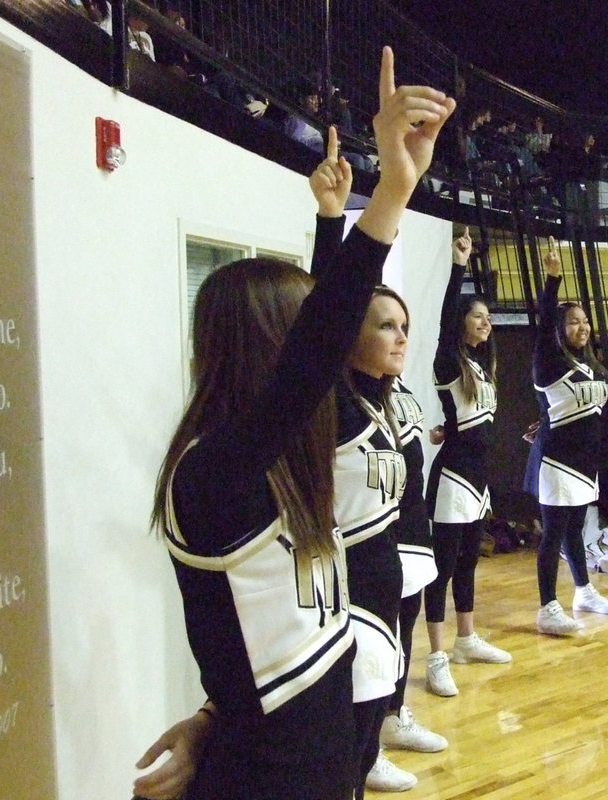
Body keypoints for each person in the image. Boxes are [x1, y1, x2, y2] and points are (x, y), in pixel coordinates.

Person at [133, 48, 455, 800]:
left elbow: (258, 637)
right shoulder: (212, 473)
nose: (336, 350)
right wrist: (388, 198)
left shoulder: (279, 464)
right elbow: (316, 349)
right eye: (307, 333)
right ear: (272, 348)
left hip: (315, 766)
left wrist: (212, 716)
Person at [307, 147, 445, 794]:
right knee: (342, 762)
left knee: (363, 741)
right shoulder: (332, 396)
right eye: (384, 324)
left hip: (393, 570)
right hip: (345, 596)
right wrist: (331, 222)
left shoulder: (392, 397)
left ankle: (387, 730)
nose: (400, 336)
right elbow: (319, 324)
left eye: (405, 326)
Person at [422, 227, 510, 699]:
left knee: (470, 562)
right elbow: (441, 323)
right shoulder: (448, 361)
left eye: (489, 317)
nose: (486, 322)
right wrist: (460, 267)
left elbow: (470, 422)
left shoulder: (480, 366)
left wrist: (449, 428)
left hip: (478, 481)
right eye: (478, 316)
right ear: (460, 322)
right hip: (453, 478)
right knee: (442, 567)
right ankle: (436, 657)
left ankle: (466, 640)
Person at [525, 236, 608, 636]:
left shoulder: (589, 364)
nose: (581, 327)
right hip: (557, 461)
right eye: (573, 322)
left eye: (584, 321)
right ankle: (548, 606)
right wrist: (553, 280)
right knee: (553, 535)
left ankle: (583, 591)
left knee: (577, 530)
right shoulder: (547, 360)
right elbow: (546, 321)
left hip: (585, 462)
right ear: (559, 330)